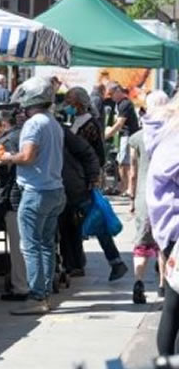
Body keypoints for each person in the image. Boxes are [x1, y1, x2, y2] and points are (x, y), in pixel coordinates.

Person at [0, 77, 66, 315]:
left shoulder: (34, 123)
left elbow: (27, 157)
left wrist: (6, 158)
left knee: (30, 246)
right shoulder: (52, 122)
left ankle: (37, 297)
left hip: (36, 191)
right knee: (46, 245)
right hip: (55, 190)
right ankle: (45, 294)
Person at [66, 86, 128, 281]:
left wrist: (92, 178)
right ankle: (77, 263)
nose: (66, 105)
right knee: (76, 221)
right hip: (76, 179)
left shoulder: (90, 125)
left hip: (84, 181)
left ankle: (116, 261)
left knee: (95, 219)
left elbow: (96, 155)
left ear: (78, 104)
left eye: (69, 101)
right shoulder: (76, 122)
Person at [143, 94, 179, 355]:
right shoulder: (175, 139)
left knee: (174, 302)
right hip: (175, 227)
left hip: (169, 226)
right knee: (174, 304)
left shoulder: (166, 134)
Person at [128, 90, 169, 304]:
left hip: (143, 196)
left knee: (142, 243)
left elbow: (133, 172)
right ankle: (163, 285)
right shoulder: (171, 133)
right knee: (164, 243)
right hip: (166, 196)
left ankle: (138, 282)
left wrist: (131, 196)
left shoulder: (137, 137)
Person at [0, 110, 28, 301]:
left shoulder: (8, 141)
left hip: (15, 196)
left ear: (2, 125)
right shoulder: (20, 134)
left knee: (18, 244)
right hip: (28, 194)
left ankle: (21, 287)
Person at [58, 126, 101, 278]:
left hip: (70, 186)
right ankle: (71, 263)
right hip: (63, 184)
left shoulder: (62, 132)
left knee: (70, 226)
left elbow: (87, 153)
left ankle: (74, 264)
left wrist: (93, 176)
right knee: (66, 227)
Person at [105, 82, 140, 196]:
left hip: (129, 135)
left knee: (125, 163)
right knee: (123, 163)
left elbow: (120, 123)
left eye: (111, 94)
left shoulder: (124, 104)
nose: (110, 97)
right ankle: (125, 187)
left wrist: (107, 134)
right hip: (125, 135)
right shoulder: (120, 103)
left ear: (118, 91)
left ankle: (128, 188)